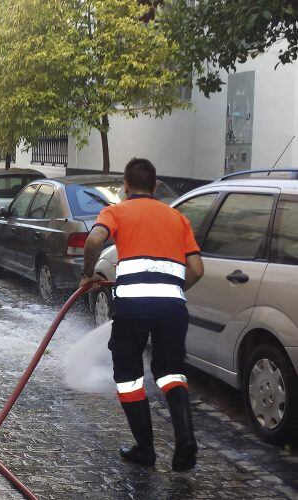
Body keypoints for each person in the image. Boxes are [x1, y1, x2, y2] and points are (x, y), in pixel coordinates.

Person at [80, 158, 205, 472]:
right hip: (172, 309)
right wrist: (171, 290)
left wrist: (87, 275)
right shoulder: (177, 217)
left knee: (128, 376)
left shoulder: (117, 211)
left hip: (133, 308)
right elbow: (197, 270)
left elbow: (94, 240)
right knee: (170, 372)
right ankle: (185, 440)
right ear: (155, 186)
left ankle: (145, 450)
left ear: (125, 185)